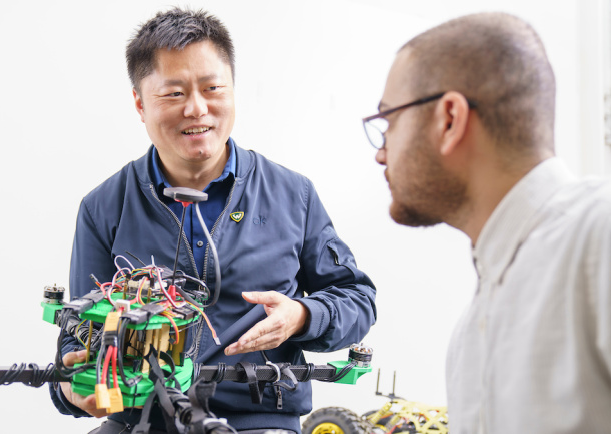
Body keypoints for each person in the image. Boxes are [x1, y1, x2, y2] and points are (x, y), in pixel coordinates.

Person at [50, 7, 377, 434]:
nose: (198, 109)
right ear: (140, 103)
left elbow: (357, 298)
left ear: (233, 90)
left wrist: (301, 315)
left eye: (212, 88)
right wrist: (71, 388)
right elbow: (79, 332)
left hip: (258, 418)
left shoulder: (293, 194)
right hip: (142, 421)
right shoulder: (103, 207)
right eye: (173, 94)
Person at [363, 11, 611, 433]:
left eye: (388, 122)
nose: (380, 153)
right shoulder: (469, 334)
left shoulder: (598, 235)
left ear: (449, 120)